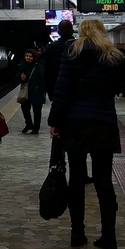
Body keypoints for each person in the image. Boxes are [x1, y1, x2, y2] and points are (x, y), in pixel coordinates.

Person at [47, 19, 125, 249]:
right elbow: (119, 88)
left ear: (81, 32)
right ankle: (108, 236)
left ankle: (77, 233)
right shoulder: (113, 56)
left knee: (76, 179)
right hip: (103, 122)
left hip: (75, 123)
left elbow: (61, 90)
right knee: (104, 180)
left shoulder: (71, 53)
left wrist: (55, 122)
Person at [42, 19, 75, 167]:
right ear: (72, 30)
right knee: (74, 133)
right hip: (75, 95)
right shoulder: (76, 47)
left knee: (58, 129)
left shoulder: (51, 48)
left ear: (58, 32)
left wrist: (50, 94)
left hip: (57, 92)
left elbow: (47, 72)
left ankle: (58, 164)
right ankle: (79, 170)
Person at [16, 47, 45, 133]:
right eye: (26, 56)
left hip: (36, 91)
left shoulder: (39, 66)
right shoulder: (22, 64)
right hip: (26, 91)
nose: (28, 57)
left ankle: (36, 128)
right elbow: (17, 75)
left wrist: (41, 89)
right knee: (24, 108)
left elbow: (43, 79)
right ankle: (28, 124)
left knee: (37, 110)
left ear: (34, 57)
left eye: (30, 56)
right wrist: (20, 77)